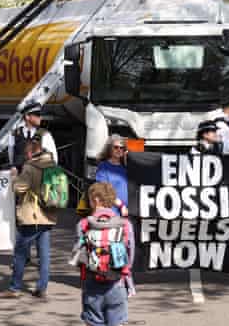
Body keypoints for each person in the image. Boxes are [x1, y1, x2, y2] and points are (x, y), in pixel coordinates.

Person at [0, 139, 58, 299]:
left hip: (31, 216)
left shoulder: (30, 167)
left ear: (30, 152)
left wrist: (15, 177)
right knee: (44, 254)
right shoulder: (52, 165)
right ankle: (42, 287)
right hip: (47, 215)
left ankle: (14, 287)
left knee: (20, 254)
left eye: (26, 154)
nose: (25, 157)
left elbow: (19, 188)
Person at [74, 181, 134, 326]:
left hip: (92, 284)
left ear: (95, 200)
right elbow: (130, 256)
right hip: (117, 283)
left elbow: (78, 254)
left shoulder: (83, 224)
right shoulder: (125, 224)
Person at [8, 102, 57, 173]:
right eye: (37, 114)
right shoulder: (14, 134)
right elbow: (11, 155)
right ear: (27, 117)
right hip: (21, 178)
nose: (40, 117)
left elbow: (54, 158)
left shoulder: (45, 135)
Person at [95, 135, 129, 214]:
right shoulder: (103, 167)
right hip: (111, 212)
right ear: (110, 149)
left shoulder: (125, 167)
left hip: (125, 213)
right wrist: (121, 206)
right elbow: (105, 191)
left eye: (122, 148)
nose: (119, 150)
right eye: (116, 147)